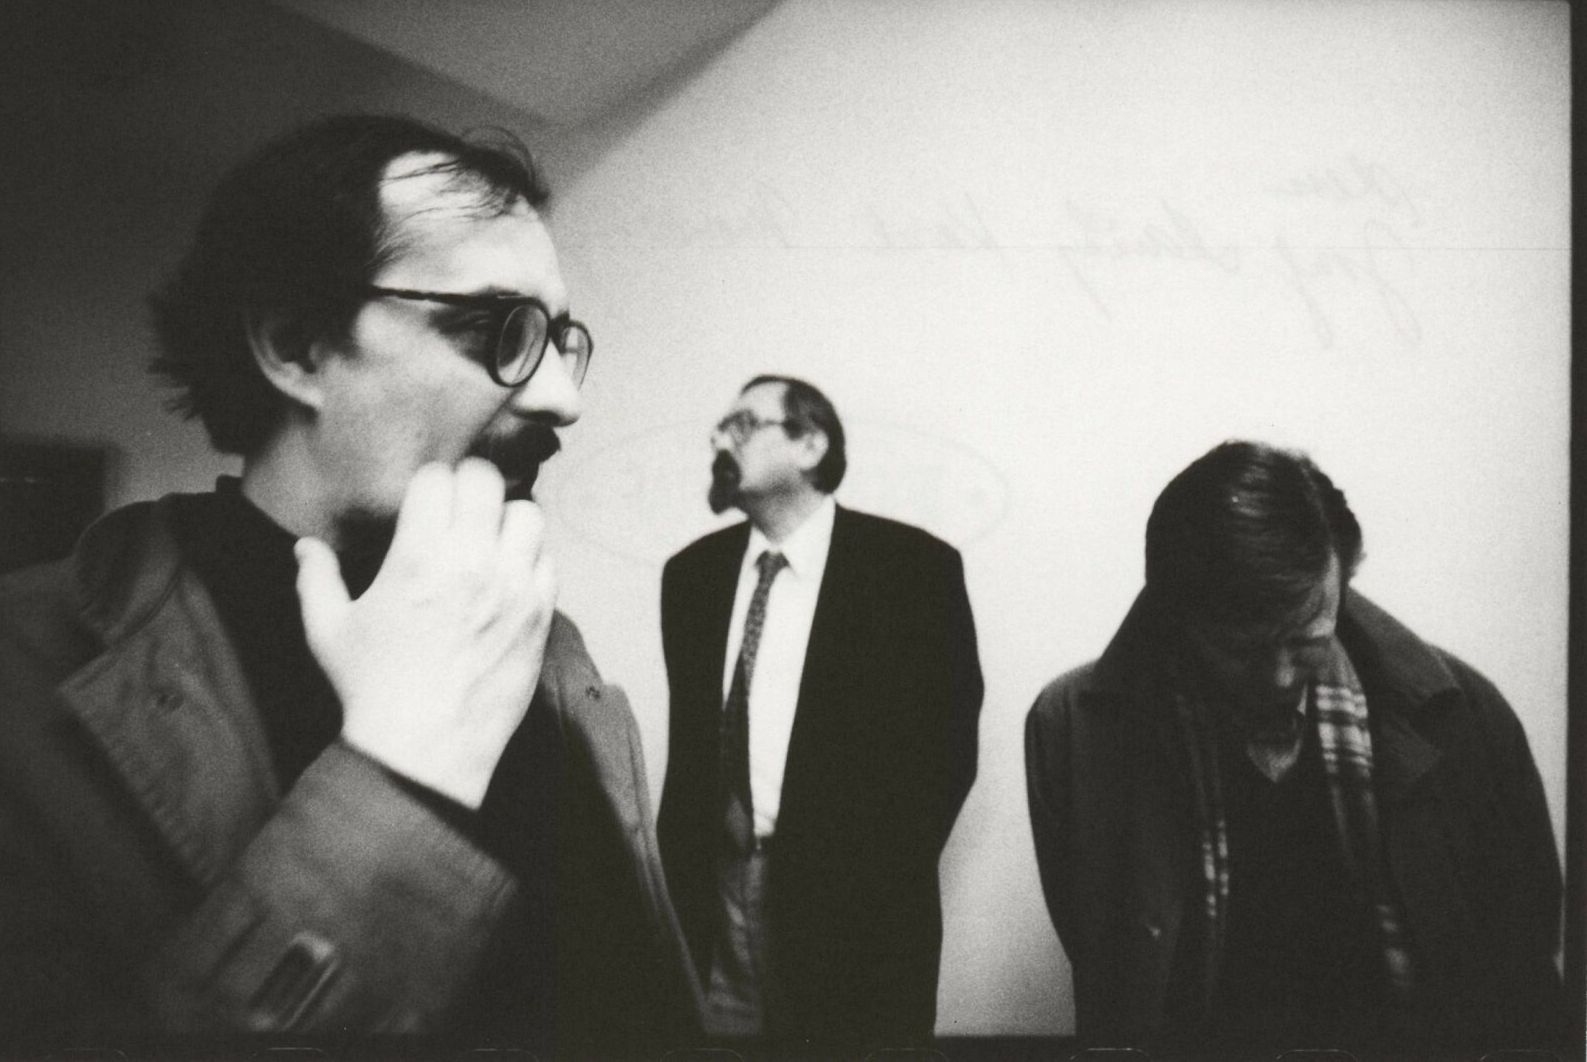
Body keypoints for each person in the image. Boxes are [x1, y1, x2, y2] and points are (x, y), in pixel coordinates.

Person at [0, 115, 699, 1054]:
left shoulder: (544, 646)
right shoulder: (21, 675)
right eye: (495, 329)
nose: (562, 399)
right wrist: (402, 776)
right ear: (296, 345)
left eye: (559, 339)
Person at [1025, 440, 1566, 1055]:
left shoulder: (1463, 716)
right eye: (1241, 650)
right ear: (1177, 616)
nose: (1281, 677)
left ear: (1344, 577)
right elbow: (1108, 965)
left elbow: (1521, 957)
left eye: (1307, 641)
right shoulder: (1076, 731)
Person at [657, 375, 984, 1051]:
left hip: (856, 916)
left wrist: (874, 884)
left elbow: (946, 752)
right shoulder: (690, 576)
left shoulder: (913, 569)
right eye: (719, 427)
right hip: (713, 902)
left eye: (743, 424)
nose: (720, 439)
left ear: (810, 444)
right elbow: (692, 750)